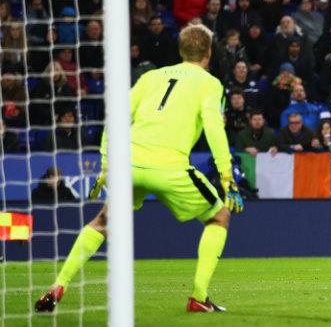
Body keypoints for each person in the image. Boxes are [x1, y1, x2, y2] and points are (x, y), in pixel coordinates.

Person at [36, 24, 244, 313]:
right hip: (169, 166)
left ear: (180, 51)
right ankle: (198, 297)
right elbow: (213, 126)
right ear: (208, 53)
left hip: (129, 163)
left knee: (102, 221)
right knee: (219, 217)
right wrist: (226, 175)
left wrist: (107, 162)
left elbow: (117, 115)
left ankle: (58, 285)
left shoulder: (151, 76)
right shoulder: (210, 84)